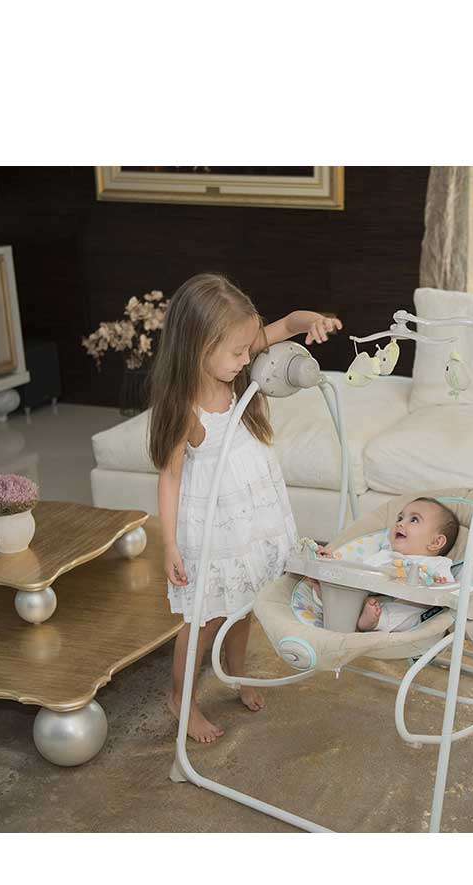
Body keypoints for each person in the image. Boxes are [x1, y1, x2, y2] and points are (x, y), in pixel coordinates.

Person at [149, 273, 341, 743]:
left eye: (245, 349)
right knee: (206, 619)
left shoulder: (233, 356)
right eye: (237, 352)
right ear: (199, 347)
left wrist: (313, 321)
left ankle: (236, 673)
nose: (246, 359)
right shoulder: (185, 409)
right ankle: (181, 699)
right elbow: (169, 477)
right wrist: (170, 544)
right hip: (214, 527)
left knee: (247, 600)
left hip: (253, 514)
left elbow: (289, 325)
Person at [313, 497, 459, 632]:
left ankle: (376, 621)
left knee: (413, 613)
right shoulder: (384, 555)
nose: (400, 523)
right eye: (400, 518)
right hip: (372, 600)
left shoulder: (437, 563)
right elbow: (356, 572)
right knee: (349, 592)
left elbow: (448, 590)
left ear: (436, 542)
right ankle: (327, 593)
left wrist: (437, 583)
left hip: (406, 605)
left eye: (414, 520)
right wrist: (334, 563)